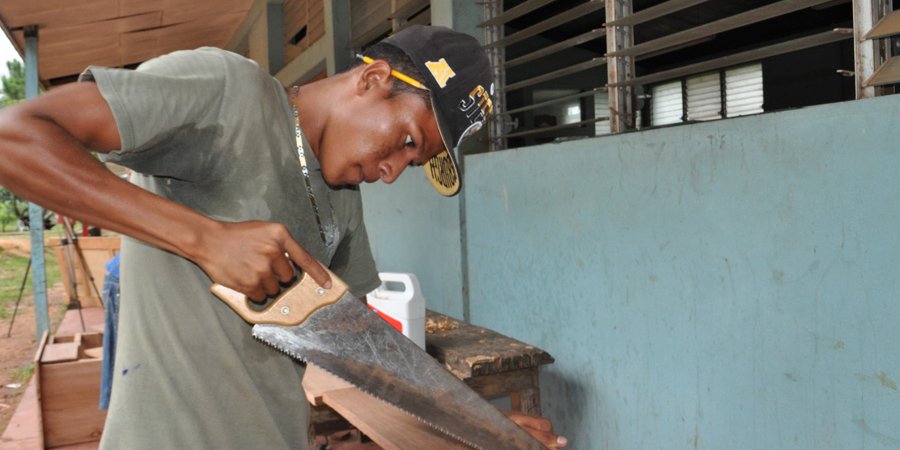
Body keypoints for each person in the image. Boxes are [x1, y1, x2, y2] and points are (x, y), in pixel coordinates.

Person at [0, 25, 567, 449]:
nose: (394, 171)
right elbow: (15, 138)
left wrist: (475, 427)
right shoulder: (228, 93)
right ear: (374, 80)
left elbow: (360, 354)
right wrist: (206, 239)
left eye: (412, 164)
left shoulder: (344, 201)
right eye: (407, 141)